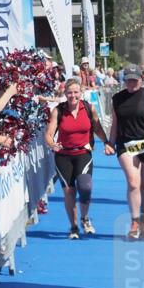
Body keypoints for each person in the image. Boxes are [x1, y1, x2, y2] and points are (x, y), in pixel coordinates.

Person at [45, 78, 112, 239]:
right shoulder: (58, 110)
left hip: (83, 154)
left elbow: (97, 127)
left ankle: (85, 218)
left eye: (76, 92)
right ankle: (74, 227)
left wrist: (106, 142)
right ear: (65, 93)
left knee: (85, 187)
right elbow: (48, 133)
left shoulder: (89, 108)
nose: (72, 95)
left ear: (81, 93)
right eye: (69, 92)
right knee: (69, 192)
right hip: (63, 157)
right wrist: (52, 144)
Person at [109, 65, 144, 240]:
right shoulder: (117, 98)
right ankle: (134, 221)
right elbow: (115, 124)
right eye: (129, 79)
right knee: (134, 183)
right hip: (126, 144)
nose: (132, 82)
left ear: (141, 79)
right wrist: (110, 143)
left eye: (135, 79)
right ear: (124, 80)